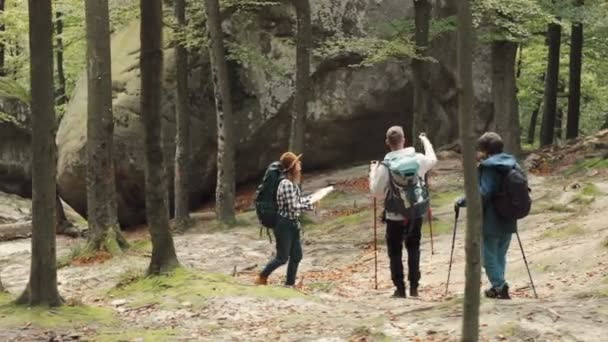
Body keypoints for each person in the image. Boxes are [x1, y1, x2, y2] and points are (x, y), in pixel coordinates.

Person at [369, 126, 437, 298]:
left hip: (394, 215)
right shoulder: (417, 159)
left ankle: (400, 289)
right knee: (414, 247)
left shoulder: (385, 166)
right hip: (415, 212)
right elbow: (432, 160)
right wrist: (425, 141)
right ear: (404, 139)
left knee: (395, 251)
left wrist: (372, 173)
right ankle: (414, 287)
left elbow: (376, 192)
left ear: (387, 143)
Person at [454, 132, 520, 300]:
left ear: (484, 151)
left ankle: (500, 285)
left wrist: (463, 201)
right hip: (509, 216)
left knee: (487, 257)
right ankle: (496, 287)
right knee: (499, 255)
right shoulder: (513, 164)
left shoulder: (489, 167)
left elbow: (483, 193)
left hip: (492, 219)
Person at [255, 152, 315, 286]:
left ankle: (289, 284)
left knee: (297, 256)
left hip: (292, 224)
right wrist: (310, 206)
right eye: (297, 163)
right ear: (292, 166)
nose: (300, 165)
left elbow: (297, 200)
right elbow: (293, 206)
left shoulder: (292, 183)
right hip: (284, 224)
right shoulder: (286, 183)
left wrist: (312, 199)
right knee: (282, 258)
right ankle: (261, 277)